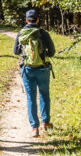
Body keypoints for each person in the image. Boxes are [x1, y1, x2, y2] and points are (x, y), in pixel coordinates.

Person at [14, 8, 56, 137]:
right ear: (38, 20)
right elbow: (52, 52)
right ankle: (46, 122)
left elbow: (16, 51)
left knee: (31, 97)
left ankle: (34, 128)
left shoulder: (21, 33)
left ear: (26, 20)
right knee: (44, 94)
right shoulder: (43, 33)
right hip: (42, 68)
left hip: (27, 69)